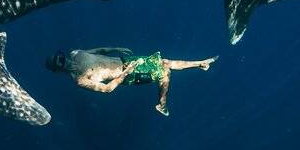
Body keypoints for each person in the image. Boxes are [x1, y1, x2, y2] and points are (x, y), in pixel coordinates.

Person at [45, 47, 217, 116]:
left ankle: (200, 64)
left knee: (164, 62)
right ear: (57, 70)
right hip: (129, 74)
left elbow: (99, 50)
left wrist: (115, 48)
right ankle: (162, 104)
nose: (63, 60)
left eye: (60, 57)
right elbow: (107, 89)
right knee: (164, 71)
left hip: (125, 59)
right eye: (59, 62)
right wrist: (124, 74)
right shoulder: (79, 80)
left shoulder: (76, 53)